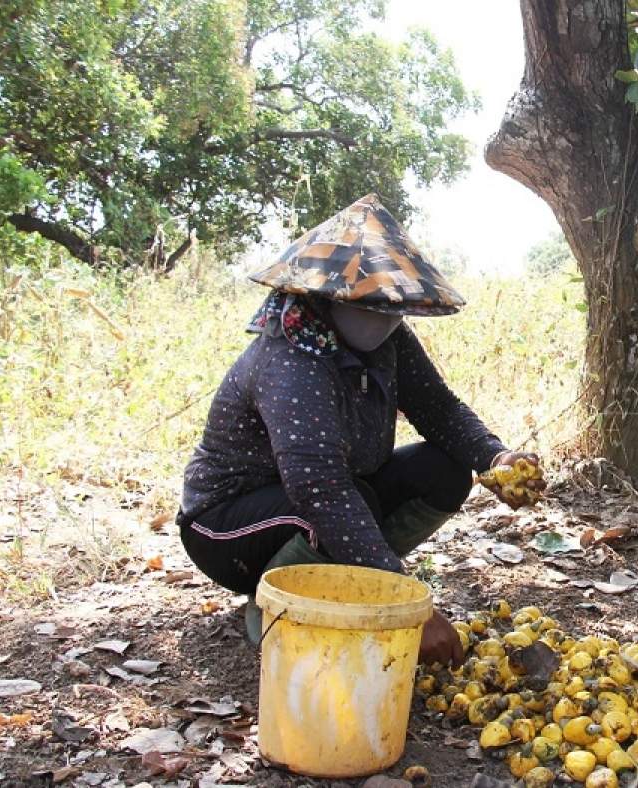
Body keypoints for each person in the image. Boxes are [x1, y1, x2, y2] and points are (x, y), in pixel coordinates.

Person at [176, 194, 542, 667]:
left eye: (394, 308)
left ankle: (352, 584)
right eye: (370, 306)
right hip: (226, 524)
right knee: (347, 505)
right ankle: (273, 611)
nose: (387, 319)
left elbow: (439, 410)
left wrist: (496, 457)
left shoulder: (391, 341)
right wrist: (406, 601)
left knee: (444, 470)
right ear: (327, 298)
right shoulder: (290, 360)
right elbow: (319, 488)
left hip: (324, 495)